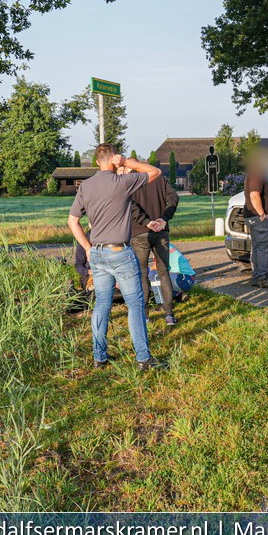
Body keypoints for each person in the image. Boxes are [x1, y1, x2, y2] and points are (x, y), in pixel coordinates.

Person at [67, 145, 162, 369]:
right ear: (112, 159)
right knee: (135, 304)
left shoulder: (86, 186)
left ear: (96, 161)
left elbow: (72, 221)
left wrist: (88, 248)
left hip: (97, 253)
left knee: (102, 305)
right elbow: (155, 172)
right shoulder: (122, 182)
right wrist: (127, 162)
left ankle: (99, 358)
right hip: (120, 252)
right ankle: (143, 358)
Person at [125, 165, 180, 326]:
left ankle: (145, 315)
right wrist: (164, 218)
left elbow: (130, 206)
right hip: (161, 231)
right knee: (164, 273)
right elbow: (174, 197)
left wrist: (146, 222)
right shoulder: (160, 180)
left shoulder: (131, 182)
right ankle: (169, 314)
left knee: (142, 275)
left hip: (139, 232)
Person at [243, 151, 268, 289]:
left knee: (257, 248)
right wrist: (262, 214)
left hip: (253, 217)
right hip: (258, 218)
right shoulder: (256, 174)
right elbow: (254, 195)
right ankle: (262, 278)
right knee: (263, 248)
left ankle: (257, 276)